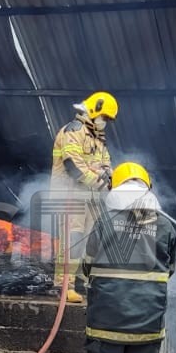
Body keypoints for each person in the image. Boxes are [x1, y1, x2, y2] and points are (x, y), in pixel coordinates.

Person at [66, 162, 176, 353]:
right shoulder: (165, 225)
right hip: (147, 322)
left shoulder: (105, 221)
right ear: (148, 187)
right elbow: (170, 268)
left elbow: (87, 266)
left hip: (107, 321)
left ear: (115, 187)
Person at [48, 91, 116, 302]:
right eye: (104, 117)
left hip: (90, 197)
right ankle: (63, 285)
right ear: (94, 110)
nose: (105, 122)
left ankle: (82, 282)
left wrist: (110, 178)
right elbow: (73, 166)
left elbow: (106, 164)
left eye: (108, 119)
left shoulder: (97, 137)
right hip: (70, 195)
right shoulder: (73, 131)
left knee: (89, 241)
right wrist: (99, 181)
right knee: (73, 239)